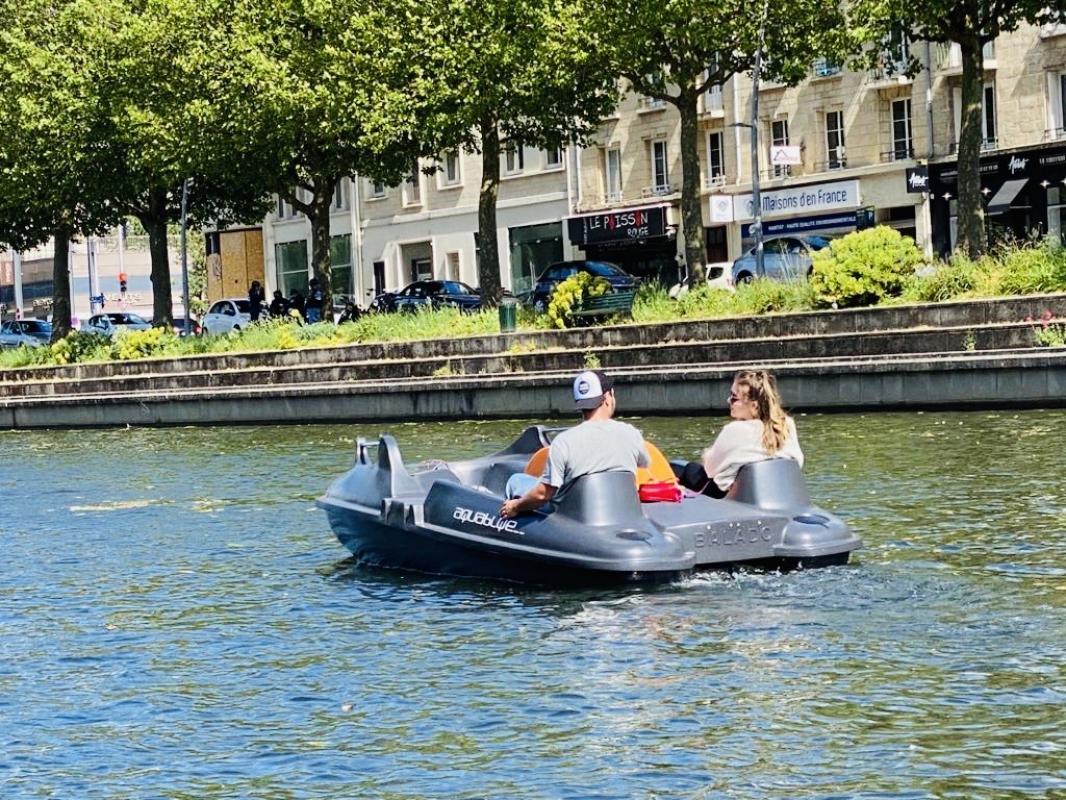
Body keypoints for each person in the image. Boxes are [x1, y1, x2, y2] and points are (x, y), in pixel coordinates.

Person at [500, 370, 650, 518]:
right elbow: (644, 463)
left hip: (572, 513)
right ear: (607, 397)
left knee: (516, 481)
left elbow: (543, 494)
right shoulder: (631, 434)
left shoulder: (563, 442)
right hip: (618, 508)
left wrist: (515, 506)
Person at [678, 369, 804, 498]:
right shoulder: (787, 424)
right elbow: (798, 462)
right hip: (778, 494)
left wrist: (707, 455)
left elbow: (710, 470)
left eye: (734, 398)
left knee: (691, 469)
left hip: (733, 498)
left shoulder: (735, 430)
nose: (729, 401)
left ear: (754, 406)